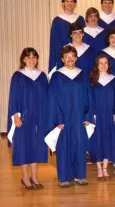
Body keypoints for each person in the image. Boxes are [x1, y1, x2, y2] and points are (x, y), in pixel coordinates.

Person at [48, 45, 93, 187]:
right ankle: (64, 177)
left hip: (79, 117)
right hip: (64, 117)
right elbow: (52, 99)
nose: (70, 59)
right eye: (67, 57)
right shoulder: (57, 76)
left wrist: (87, 116)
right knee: (64, 145)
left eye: (72, 56)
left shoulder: (82, 74)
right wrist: (57, 120)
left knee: (80, 145)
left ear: (76, 58)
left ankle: (80, 175)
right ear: (62, 59)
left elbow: (88, 96)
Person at [8, 48, 48, 190]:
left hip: (39, 117)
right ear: (23, 59)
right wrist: (16, 116)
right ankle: (25, 177)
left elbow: (47, 97)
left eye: (34, 57)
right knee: (24, 147)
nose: (32, 60)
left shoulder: (42, 76)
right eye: (28, 57)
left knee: (36, 146)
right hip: (23, 117)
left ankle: (34, 177)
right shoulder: (18, 76)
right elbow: (13, 97)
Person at [89, 54, 115, 180]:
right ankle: (99, 169)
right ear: (96, 65)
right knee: (97, 141)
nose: (103, 65)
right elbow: (89, 100)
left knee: (108, 140)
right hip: (97, 116)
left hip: (109, 115)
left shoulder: (113, 80)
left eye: (105, 63)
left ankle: (105, 168)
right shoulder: (92, 81)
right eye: (100, 63)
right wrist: (92, 115)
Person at [49, 0, 85, 77]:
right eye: (67, 1)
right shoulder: (57, 21)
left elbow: (84, 40)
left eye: (72, 1)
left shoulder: (80, 19)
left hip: (80, 57)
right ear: (63, 3)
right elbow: (54, 44)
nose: (69, 3)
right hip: (64, 59)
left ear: (75, 3)